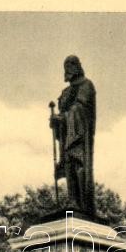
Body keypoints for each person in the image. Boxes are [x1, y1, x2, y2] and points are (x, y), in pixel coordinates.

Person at [50, 55, 97, 216]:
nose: (67, 70)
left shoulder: (86, 85)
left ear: (77, 67)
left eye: (70, 66)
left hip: (79, 136)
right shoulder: (65, 92)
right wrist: (56, 121)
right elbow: (64, 112)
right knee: (68, 165)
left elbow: (81, 109)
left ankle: (83, 203)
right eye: (65, 67)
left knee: (78, 165)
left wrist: (63, 117)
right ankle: (73, 200)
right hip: (67, 136)